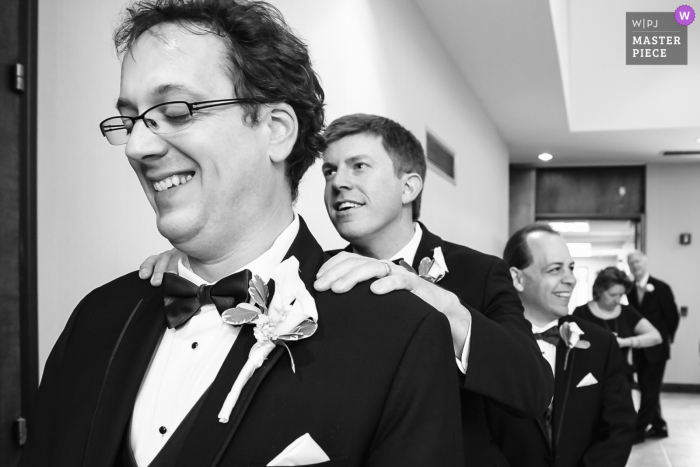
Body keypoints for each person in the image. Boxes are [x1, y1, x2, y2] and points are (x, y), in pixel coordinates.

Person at [19, 2, 464, 466]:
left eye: (176, 110)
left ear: (275, 130)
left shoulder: (398, 336)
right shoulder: (97, 318)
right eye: (131, 120)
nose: (137, 146)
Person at [140, 114, 554, 465]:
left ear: (409, 187)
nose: (338, 183)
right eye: (330, 171)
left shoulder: (479, 272)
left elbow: (533, 387)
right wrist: (192, 267)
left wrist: (440, 304)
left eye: (358, 166)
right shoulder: (306, 275)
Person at [487, 224, 635, 467]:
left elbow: (620, 426)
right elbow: (475, 432)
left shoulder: (601, 343)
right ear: (517, 278)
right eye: (555, 269)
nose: (570, 279)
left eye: (571, 268)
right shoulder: (487, 341)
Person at [573, 266, 662, 393]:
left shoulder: (627, 312)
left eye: (621, 294)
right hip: (587, 378)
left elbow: (656, 337)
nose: (617, 299)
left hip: (620, 378)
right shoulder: (581, 313)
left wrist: (625, 342)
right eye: (612, 295)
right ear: (599, 291)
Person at [627, 250, 680, 442]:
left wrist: (666, 340)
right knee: (647, 388)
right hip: (640, 348)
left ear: (645, 262)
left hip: (657, 349)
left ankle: (638, 431)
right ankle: (659, 426)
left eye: (637, 262)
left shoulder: (661, 287)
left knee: (649, 390)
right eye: (631, 263)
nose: (634, 266)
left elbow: (673, 317)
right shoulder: (630, 290)